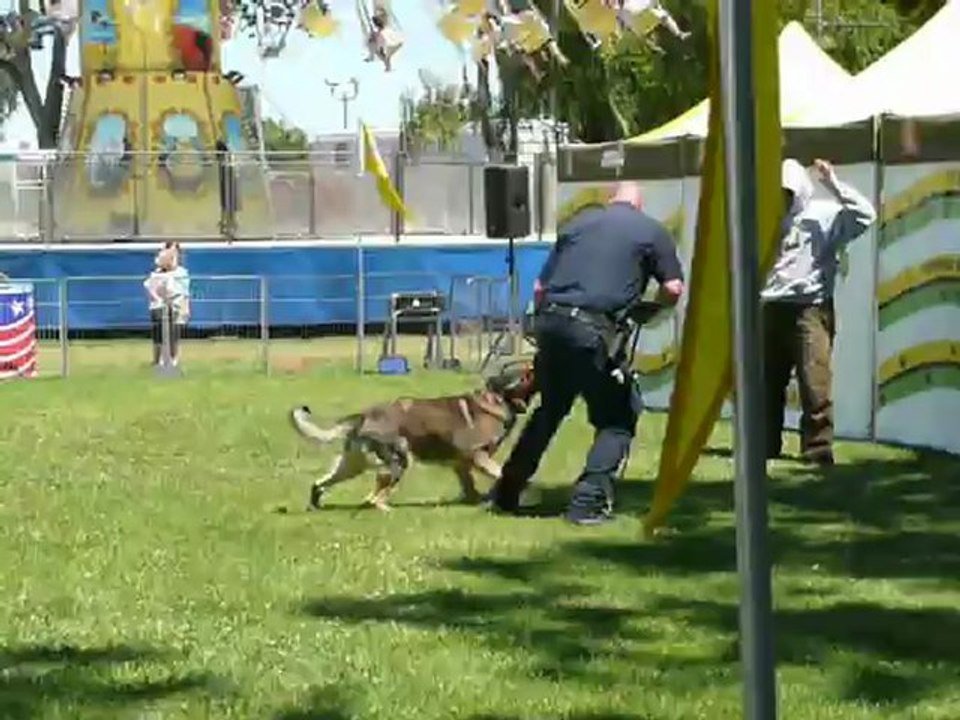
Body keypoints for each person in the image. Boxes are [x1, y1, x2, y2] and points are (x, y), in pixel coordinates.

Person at [489, 182, 684, 524]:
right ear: (639, 205)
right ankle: (588, 503)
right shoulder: (651, 231)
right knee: (618, 416)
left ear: (611, 201)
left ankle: (507, 491)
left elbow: (539, 288)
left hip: (551, 322)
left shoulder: (578, 225)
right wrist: (648, 310)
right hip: (593, 330)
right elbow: (673, 287)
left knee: (550, 408)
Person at [762, 158, 877, 465]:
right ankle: (763, 445)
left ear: (800, 191)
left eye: (788, 193)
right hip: (770, 306)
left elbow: (865, 216)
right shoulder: (763, 216)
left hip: (809, 309)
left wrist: (834, 184)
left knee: (815, 383)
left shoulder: (823, 215)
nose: (782, 199)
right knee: (766, 383)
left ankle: (817, 450)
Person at [144, 243, 191, 367]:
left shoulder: (182, 272)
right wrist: (158, 298)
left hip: (175, 306)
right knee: (158, 334)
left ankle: (173, 359)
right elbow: (150, 287)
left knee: (174, 334)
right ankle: (157, 360)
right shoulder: (156, 274)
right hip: (158, 307)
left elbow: (184, 292)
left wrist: (185, 307)